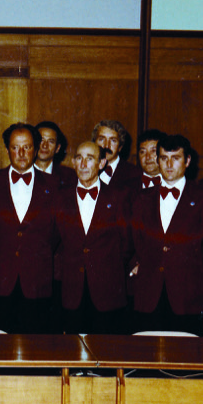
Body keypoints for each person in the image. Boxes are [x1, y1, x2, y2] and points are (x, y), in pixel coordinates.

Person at [130, 134, 203, 335]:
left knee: (185, 351)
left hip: (188, 295)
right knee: (146, 350)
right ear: (158, 161)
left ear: (187, 161)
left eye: (175, 158)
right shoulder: (142, 198)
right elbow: (135, 241)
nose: (169, 164)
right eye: (164, 158)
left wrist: (196, 281)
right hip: (149, 295)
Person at [0, 123, 59, 334]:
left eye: (27, 147)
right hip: (0, 282)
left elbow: (57, 235)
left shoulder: (54, 186)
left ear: (35, 149)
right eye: (15, 147)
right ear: (7, 150)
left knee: (36, 345)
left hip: (38, 282)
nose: (21, 153)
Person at [55, 141, 133, 334]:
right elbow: (55, 242)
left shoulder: (118, 197)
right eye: (79, 158)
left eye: (89, 159)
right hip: (71, 291)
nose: (83, 164)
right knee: (71, 348)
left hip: (108, 292)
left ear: (101, 163)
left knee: (106, 348)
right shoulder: (60, 197)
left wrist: (107, 268)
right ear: (73, 162)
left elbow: (127, 243)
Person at [92, 120, 141, 190]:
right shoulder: (83, 170)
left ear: (120, 147)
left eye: (113, 140)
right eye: (101, 139)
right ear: (94, 143)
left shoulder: (134, 174)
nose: (106, 145)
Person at [35, 121, 76, 189]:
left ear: (57, 148)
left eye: (51, 142)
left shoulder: (69, 177)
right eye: (41, 140)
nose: (45, 146)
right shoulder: (21, 173)